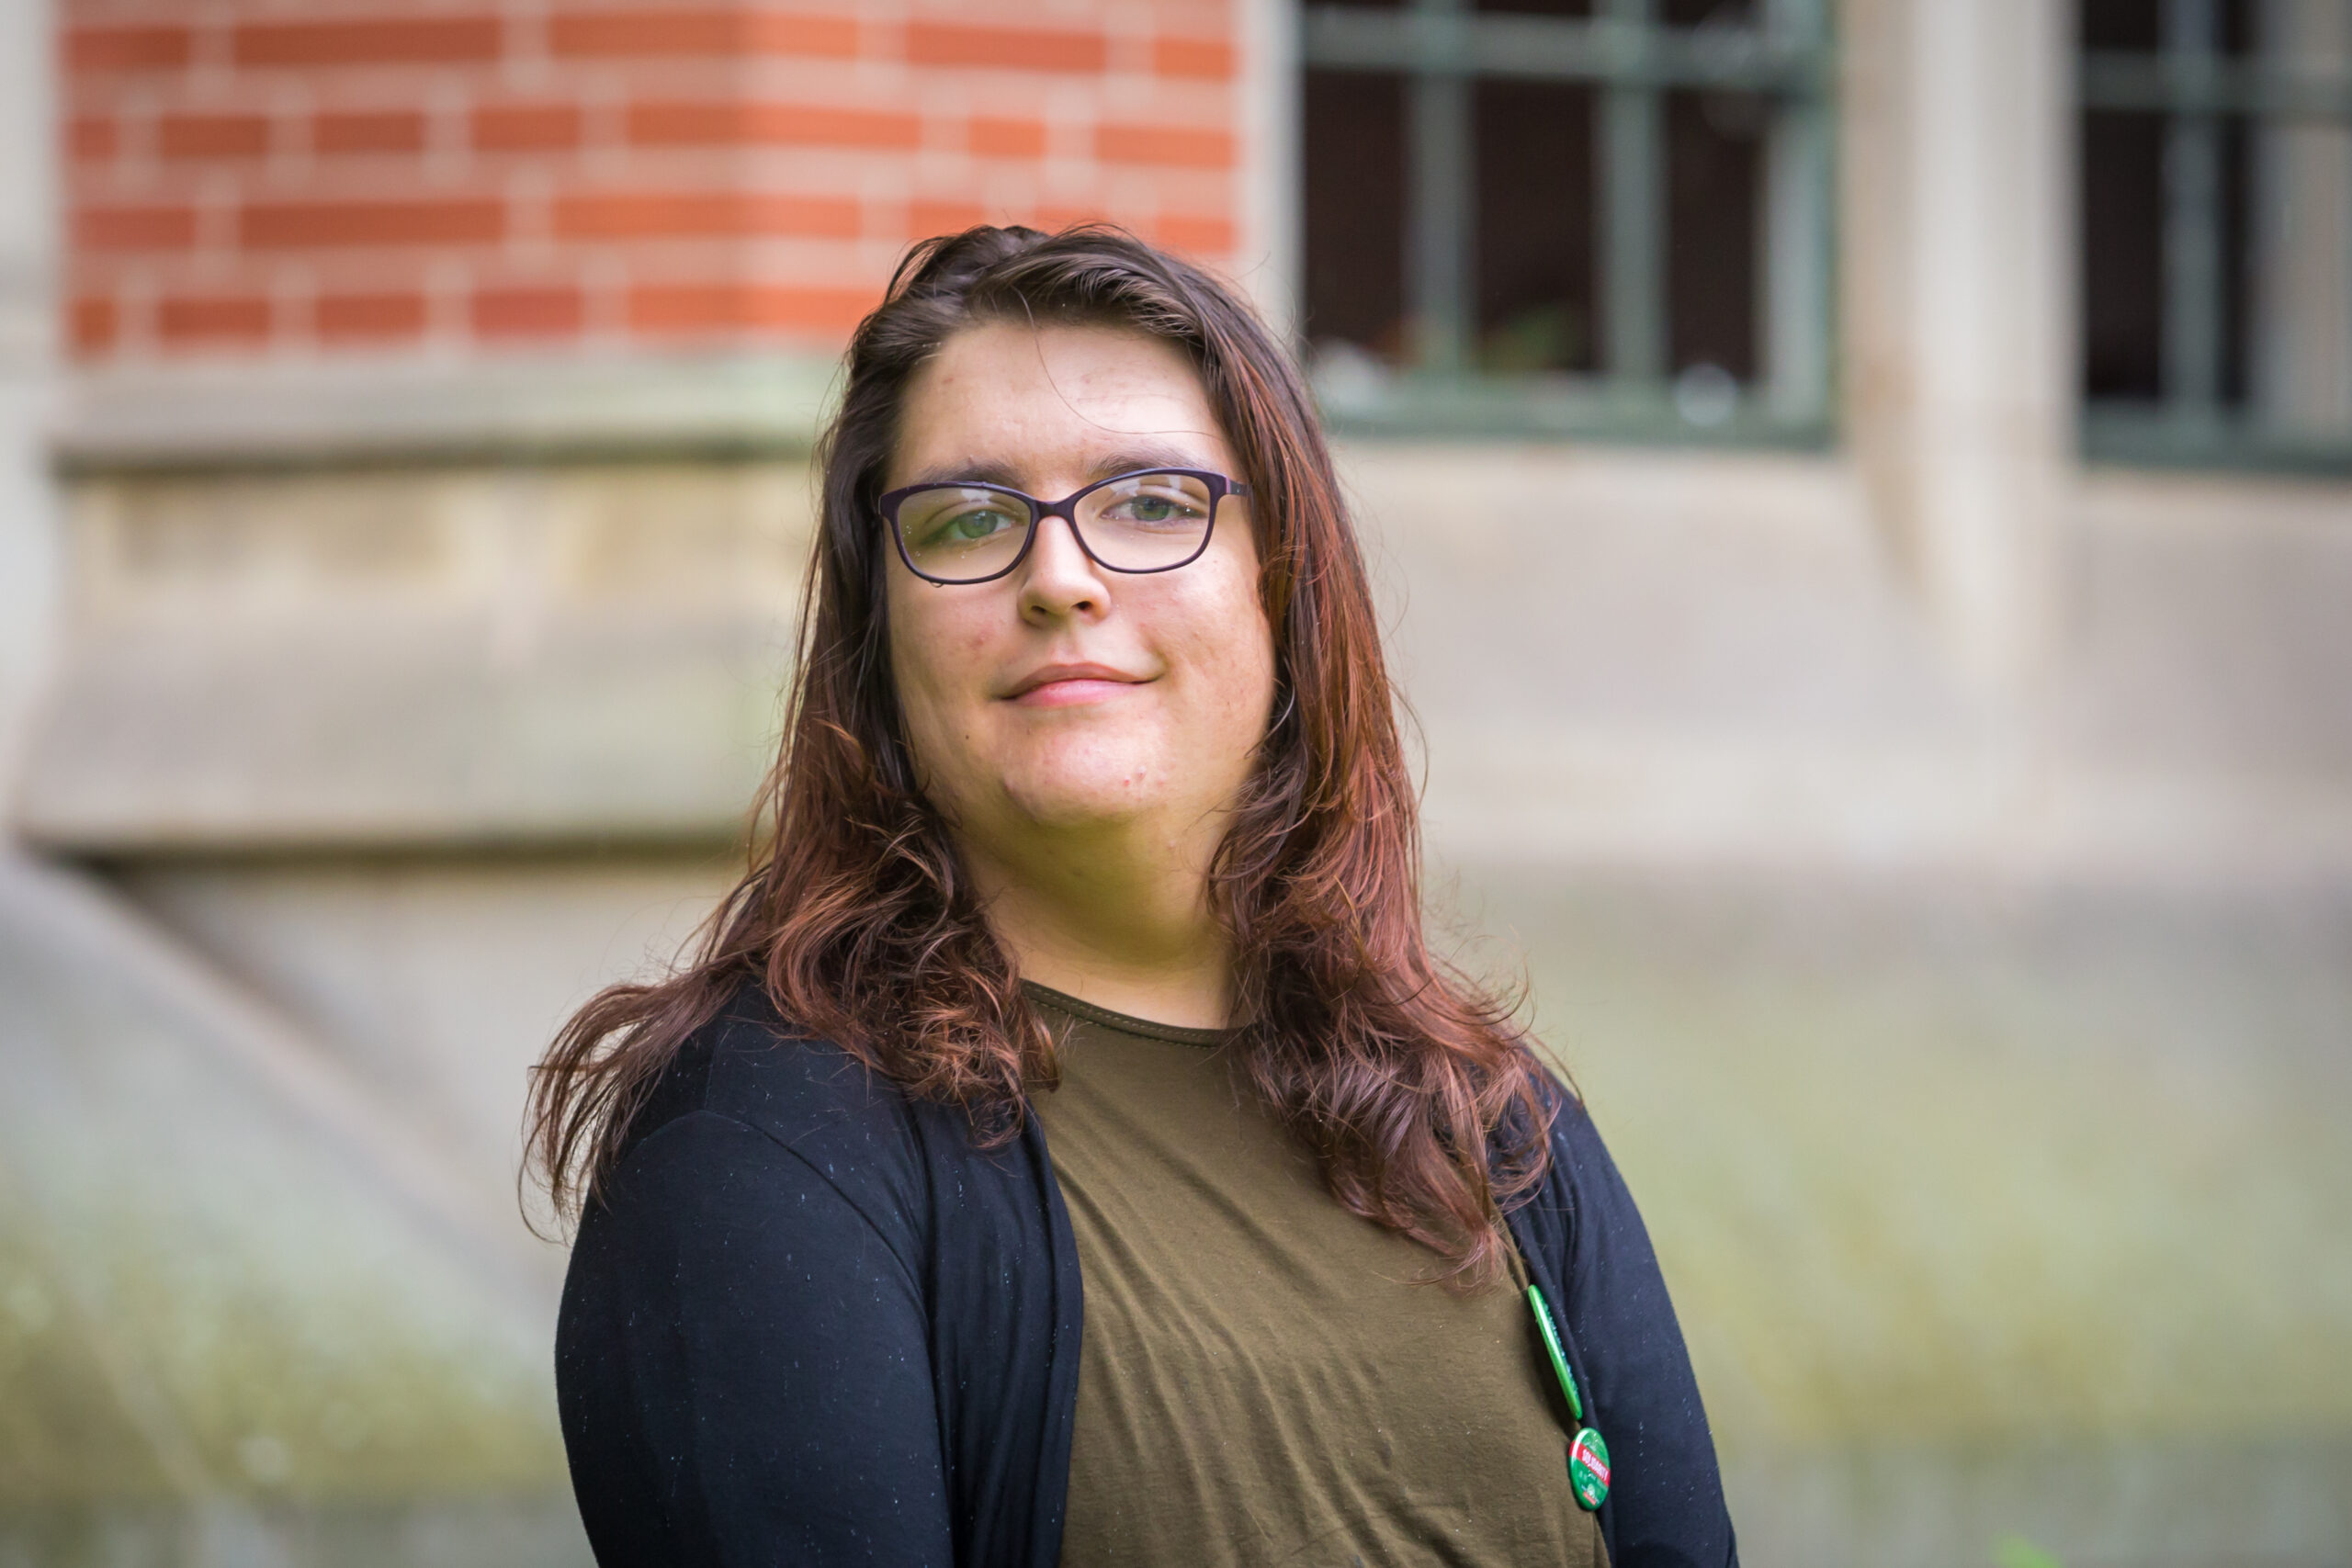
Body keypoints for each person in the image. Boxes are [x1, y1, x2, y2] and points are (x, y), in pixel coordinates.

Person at [529, 225, 1736, 1568]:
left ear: (1286, 589)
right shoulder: (771, 1154)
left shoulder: (1496, 1135)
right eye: (970, 520)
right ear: (880, 642)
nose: (1060, 577)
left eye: (1152, 503)